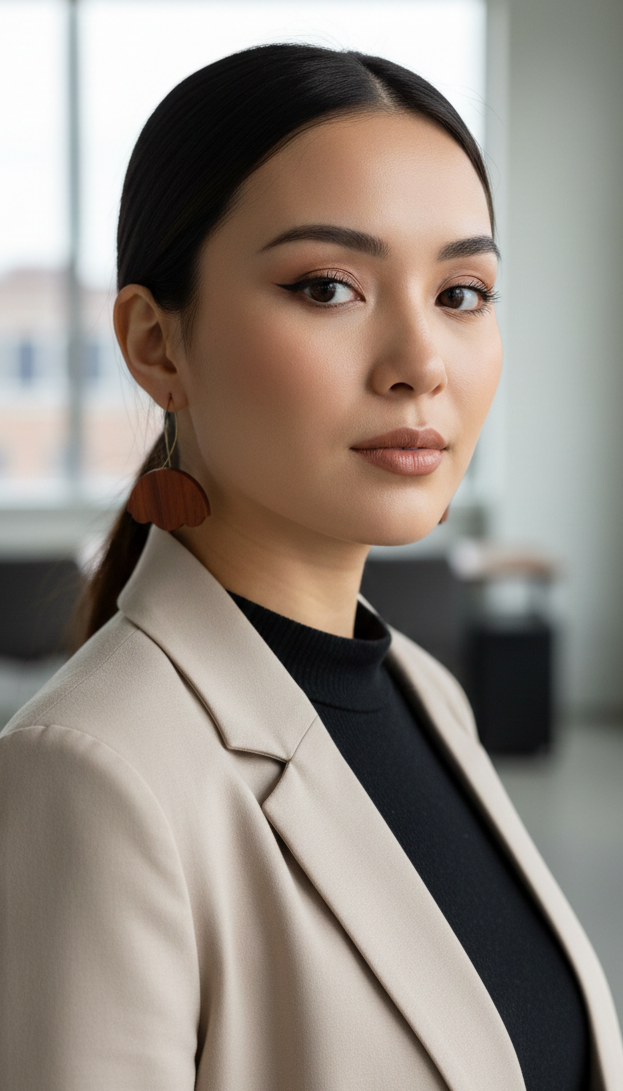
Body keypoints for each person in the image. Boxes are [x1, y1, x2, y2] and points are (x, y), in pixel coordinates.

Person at [0, 43, 620, 1091]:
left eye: (462, 292)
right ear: (155, 345)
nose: (419, 362)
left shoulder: (426, 692)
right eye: (328, 286)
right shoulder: (93, 776)